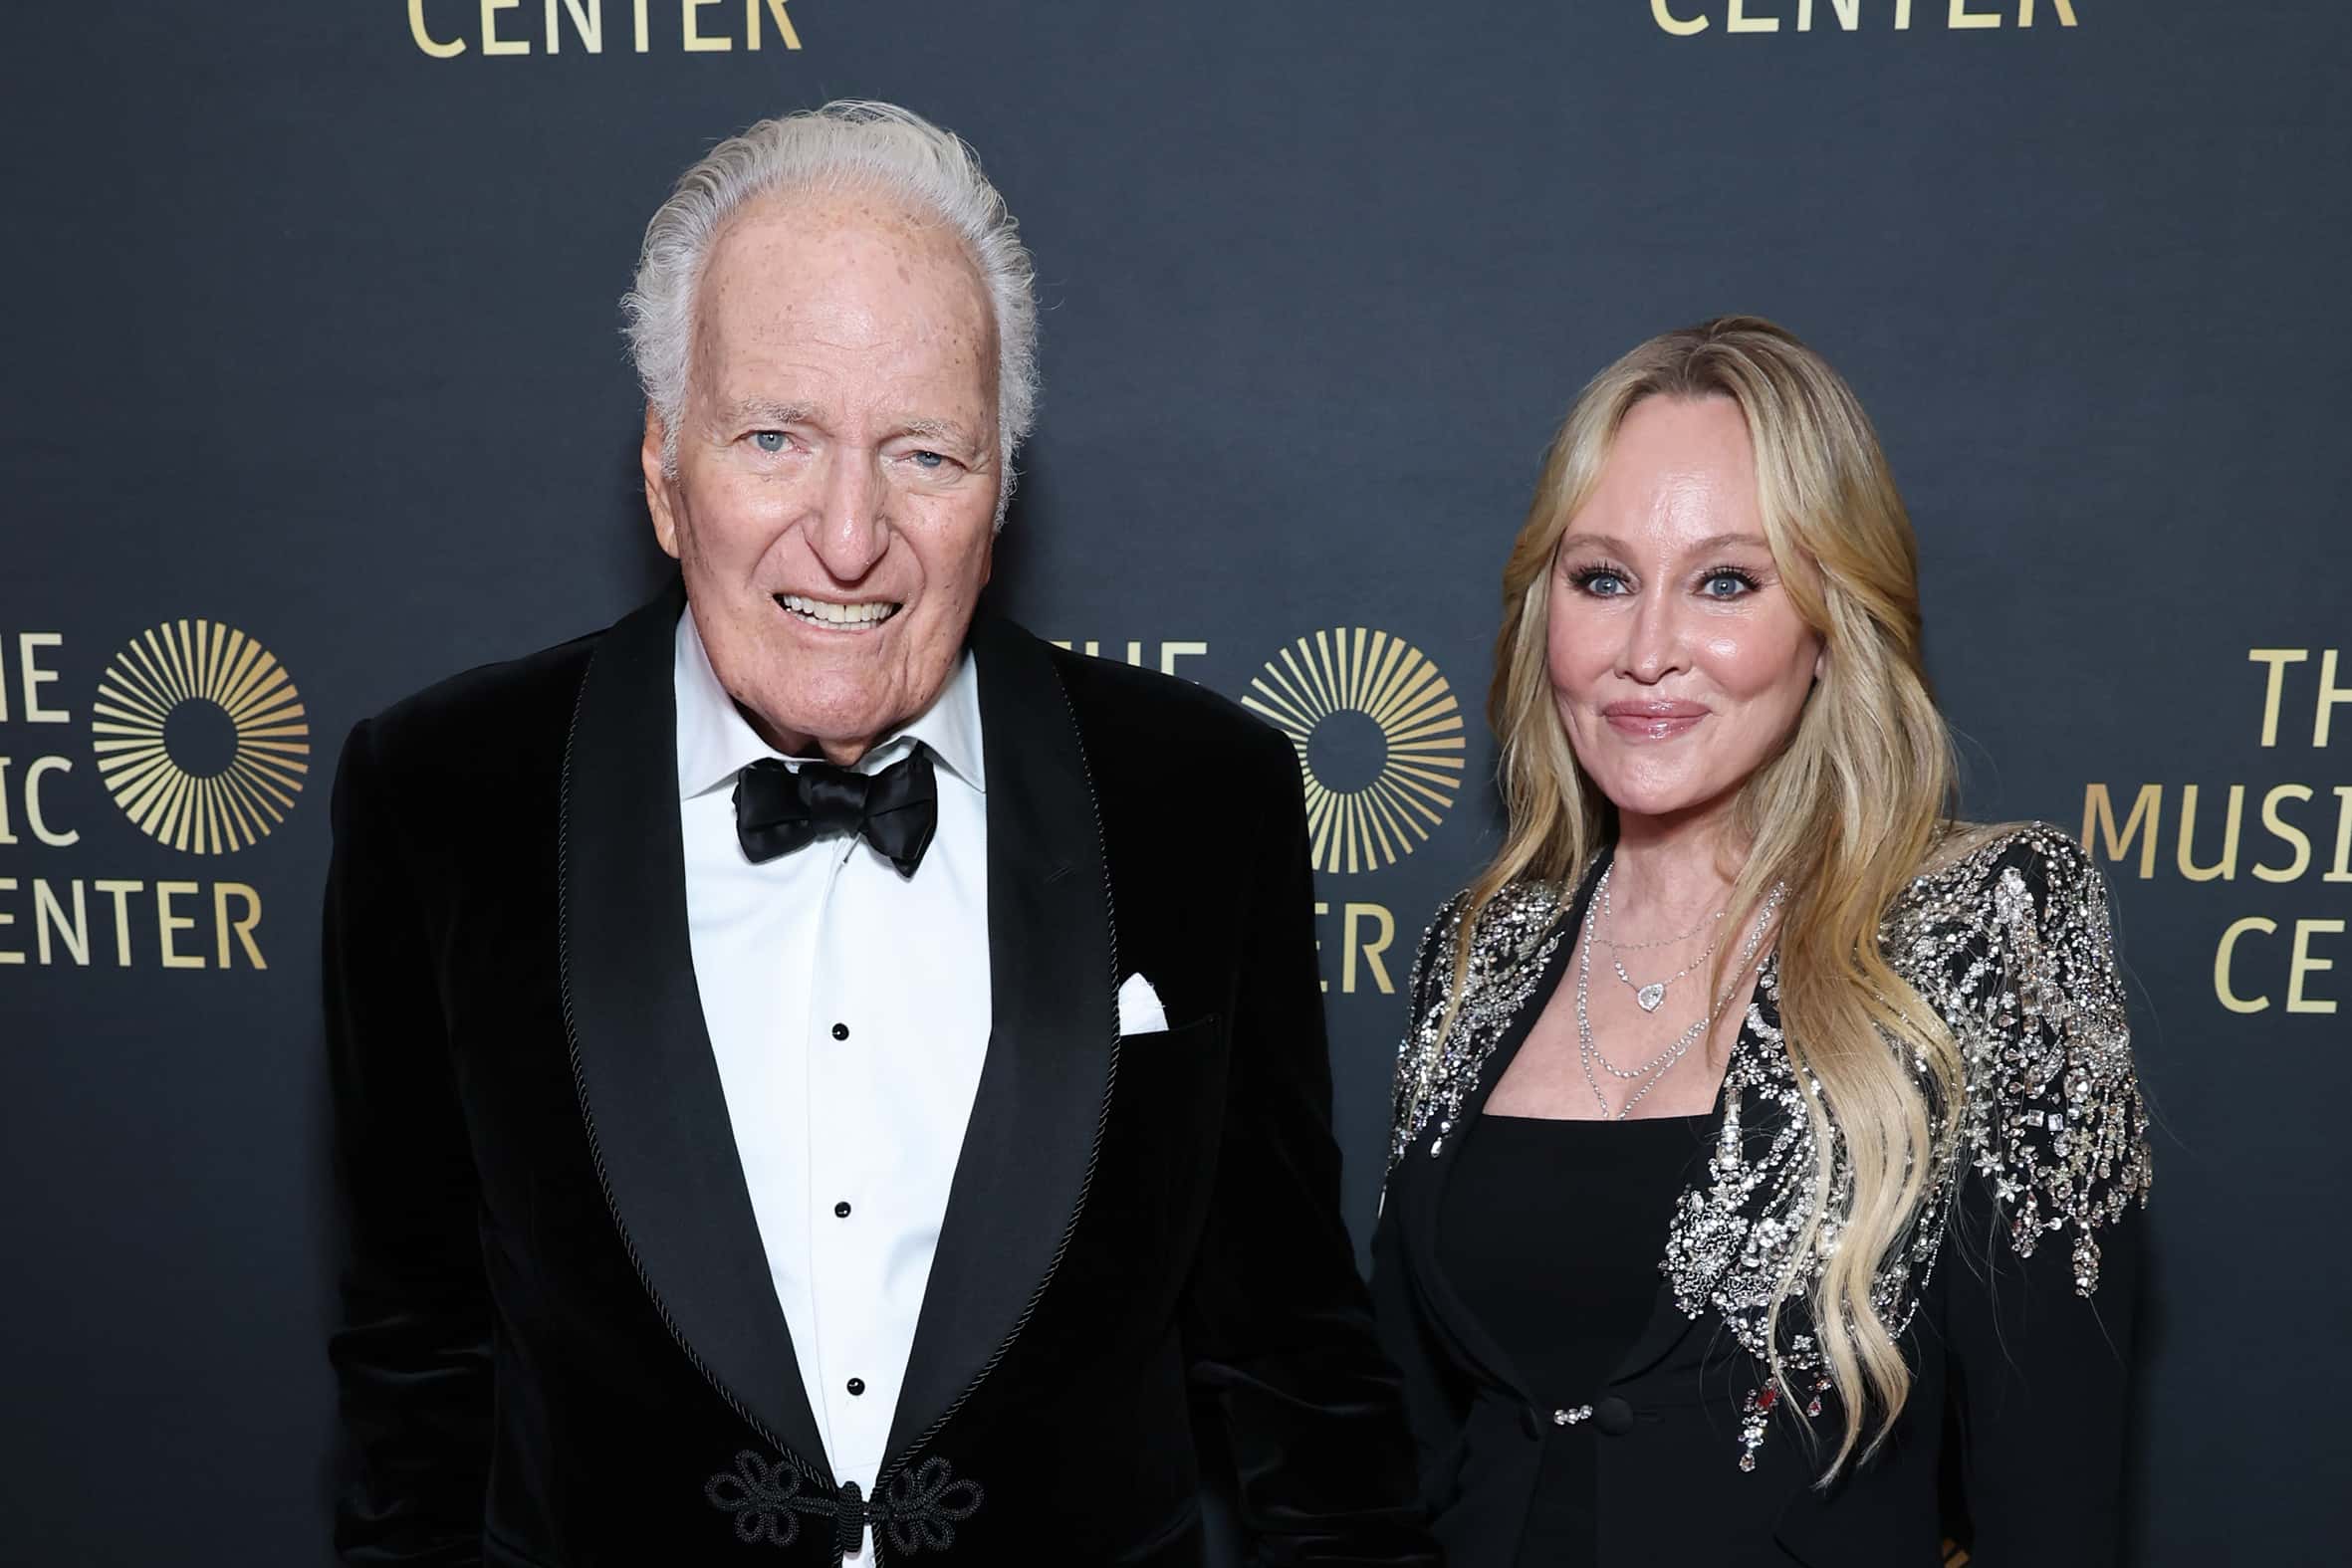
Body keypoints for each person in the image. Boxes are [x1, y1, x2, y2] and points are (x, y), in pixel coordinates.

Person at [325, 101, 1434, 1567]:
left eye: (924, 453)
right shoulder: (445, 794)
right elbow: (415, 1367)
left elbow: (1294, 1354)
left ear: (1001, 491)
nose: (849, 536)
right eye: (774, 436)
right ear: (666, 474)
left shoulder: (1197, 796)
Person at [1370, 317, 2152, 1567]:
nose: (1644, 653)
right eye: (1602, 578)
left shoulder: (1986, 922)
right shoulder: (1479, 951)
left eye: (1726, 581)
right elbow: (1403, 1437)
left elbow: (2050, 1486)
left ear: (1830, 620)